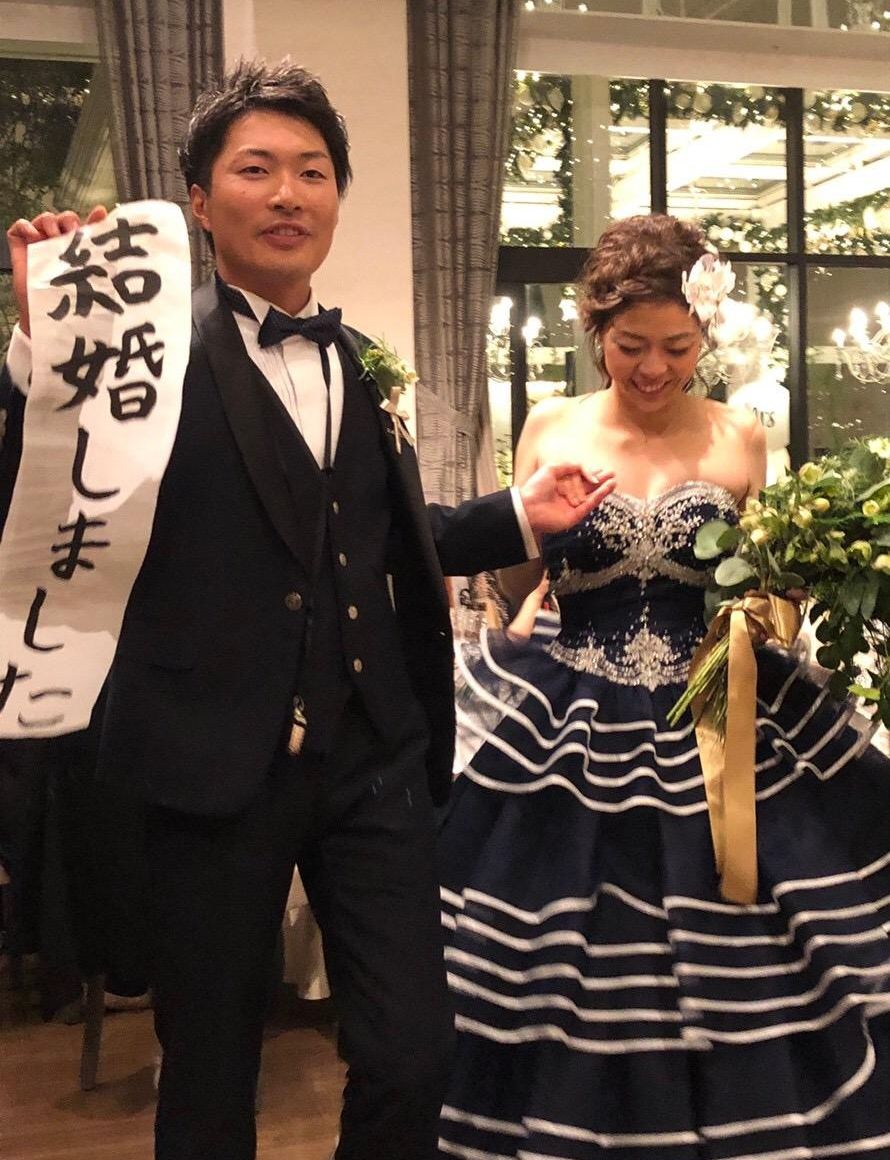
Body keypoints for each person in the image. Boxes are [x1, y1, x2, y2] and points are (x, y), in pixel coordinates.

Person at [0, 60, 616, 1160]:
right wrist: (43, 358)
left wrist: (519, 515)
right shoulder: (139, 359)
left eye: (313, 171)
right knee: (209, 1071)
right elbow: (44, 502)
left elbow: (375, 533)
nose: (288, 193)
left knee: (414, 1051)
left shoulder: (359, 360)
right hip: (207, 759)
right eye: (256, 169)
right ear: (200, 200)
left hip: (372, 751)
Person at [438, 213, 890, 1159]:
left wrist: (787, 593)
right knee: (564, 944)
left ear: (704, 337)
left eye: (677, 348)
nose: (653, 368)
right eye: (631, 345)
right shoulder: (551, 425)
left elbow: (771, 595)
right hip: (571, 707)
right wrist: (529, 569)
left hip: (719, 707)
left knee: (763, 931)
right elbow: (518, 577)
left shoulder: (740, 436)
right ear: (596, 331)